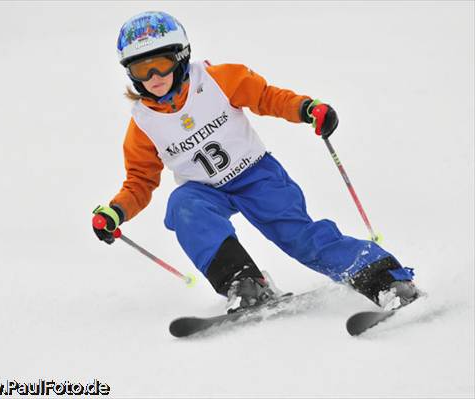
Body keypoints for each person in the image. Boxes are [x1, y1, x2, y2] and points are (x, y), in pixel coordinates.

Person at [92, 11, 419, 313]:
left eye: (161, 63)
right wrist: (116, 211)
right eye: (140, 70)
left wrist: (306, 108)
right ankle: (245, 282)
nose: (153, 76)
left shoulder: (219, 79)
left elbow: (267, 97)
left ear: (180, 57)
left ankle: (386, 279)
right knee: (183, 206)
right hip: (205, 191)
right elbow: (140, 180)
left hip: (256, 175)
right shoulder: (143, 124)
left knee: (300, 239)